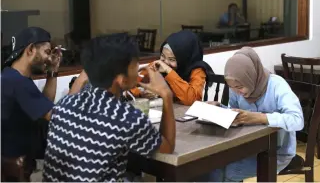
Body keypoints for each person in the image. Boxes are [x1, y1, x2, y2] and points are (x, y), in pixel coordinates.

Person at [42, 34, 176, 182]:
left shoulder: (64, 104)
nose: (139, 68)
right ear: (120, 79)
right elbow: (167, 148)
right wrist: (166, 94)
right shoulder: (126, 118)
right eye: (135, 64)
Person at [206, 47, 304, 181]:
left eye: (240, 87)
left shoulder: (276, 85)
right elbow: (234, 114)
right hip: (246, 148)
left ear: (250, 76)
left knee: (231, 171)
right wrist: (219, 108)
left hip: (275, 152)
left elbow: (297, 120)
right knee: (213, 167)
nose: (237, 92)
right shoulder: (235, 89)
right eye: (232, 88)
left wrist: (260, 118)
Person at [1, 27, 62, 181]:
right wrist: (83, 79)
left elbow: (44, 106)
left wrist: (53, 71)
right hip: (14, 166)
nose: (49, 58)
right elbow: (56, 117)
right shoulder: (17, 82)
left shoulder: (11, 76)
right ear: (30, 50)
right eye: (47, 52)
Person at [131, 30, 214, 106]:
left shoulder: (197, 70)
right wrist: (141, 93)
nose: (165, 62)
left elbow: (191, 100)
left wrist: (169, 71)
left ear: (184, 58)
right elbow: (130, 85)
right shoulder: (158, 64)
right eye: (163, 56)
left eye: (172, 59)